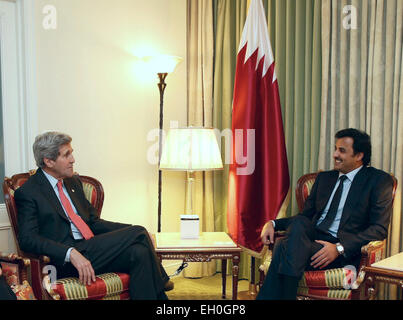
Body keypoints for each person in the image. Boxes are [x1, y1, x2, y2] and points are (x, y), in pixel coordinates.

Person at [15, 131, 172, 300]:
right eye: (67, 155)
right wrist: (70, 252)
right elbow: (27, 238)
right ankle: (162, 282)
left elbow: (93, 223)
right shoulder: (29, 192)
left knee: (139, 251)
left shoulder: (72, 182)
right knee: (139, 232)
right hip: (66, 261)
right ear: (49, 161)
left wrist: (131, 231)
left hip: (92, 249)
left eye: (71, 153)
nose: (73, 159)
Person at [257, 128, 394, 300]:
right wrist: (273, 223)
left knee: (282, 247)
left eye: (342, 151)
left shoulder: (378, 181)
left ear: (359, 156)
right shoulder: (325, 178)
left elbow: (379, 229)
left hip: (339, 249)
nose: (335, 154)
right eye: (335, 149)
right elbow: (304, 217)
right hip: (310, 240)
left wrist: (339, 248)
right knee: (299, 225)